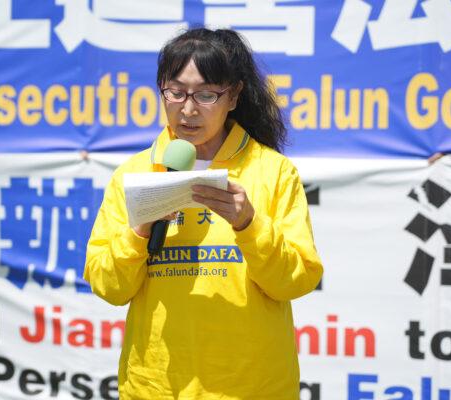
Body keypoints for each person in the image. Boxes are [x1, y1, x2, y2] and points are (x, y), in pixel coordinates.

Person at [85, 28, 323, 400]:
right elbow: (109, 288)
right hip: (157, 387)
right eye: (176, 92)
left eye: (206, 94)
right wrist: (139, 231)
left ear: (234, 96)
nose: (189, 109)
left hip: (252, 387)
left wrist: (250, 224)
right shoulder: (134, 175)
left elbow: (296, 281)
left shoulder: (273, 172)